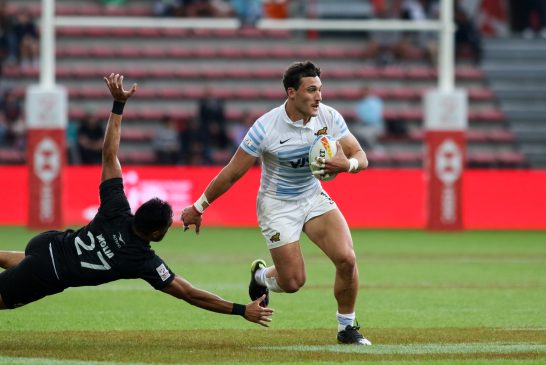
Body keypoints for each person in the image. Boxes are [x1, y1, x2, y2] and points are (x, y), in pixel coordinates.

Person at [0, 73, 274, 328]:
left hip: (48, 243)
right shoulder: (140, 260)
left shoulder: (116, 209)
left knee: (26, 263)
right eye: (168, 226)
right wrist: (241, 310)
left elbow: (109, 154)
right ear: (156, 232)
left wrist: (118, 105)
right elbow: (189, 294)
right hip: (48, 273)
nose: (170, 228)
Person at [181, 61, 371, 345]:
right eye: (311, 90)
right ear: (291, 92)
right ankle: (260, 276)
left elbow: (360, 155)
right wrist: (198, 207)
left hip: (312, 196)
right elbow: (233, 172)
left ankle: (346, 328)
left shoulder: (329, 117)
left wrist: (349, 164)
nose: (318, 96)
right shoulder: (265, 127)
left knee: (347, 259)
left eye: (320, 89)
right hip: (278, 205)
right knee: (293, 282)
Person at [353, 85, 385, 151]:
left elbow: (374, 117)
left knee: (366, 134)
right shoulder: (360, 103)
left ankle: (376, 149)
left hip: (375, 125)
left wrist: (363, 119)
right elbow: (358, 116)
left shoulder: (376, 102)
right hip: (363, 125)